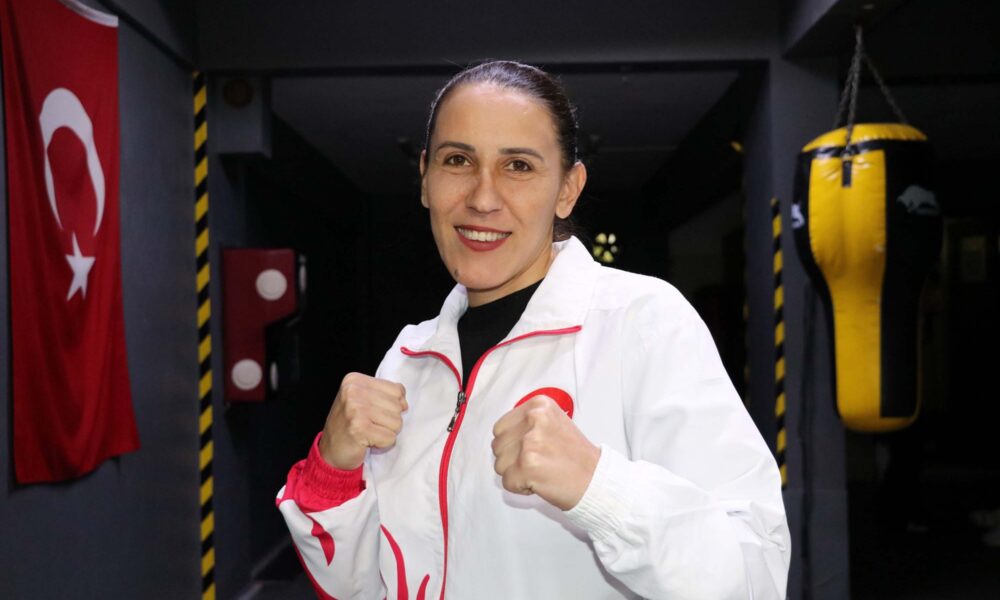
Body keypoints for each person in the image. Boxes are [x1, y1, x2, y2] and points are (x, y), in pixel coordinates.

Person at [277, 60, 790, 600]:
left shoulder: (641, 323)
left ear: (567, 189)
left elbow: (754, 576)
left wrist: (598, 487)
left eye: (518, 165)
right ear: (426, 177)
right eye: (458, 160)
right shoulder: (409, 359)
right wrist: (333, 471)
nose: (482, 198)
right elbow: (359, 589)